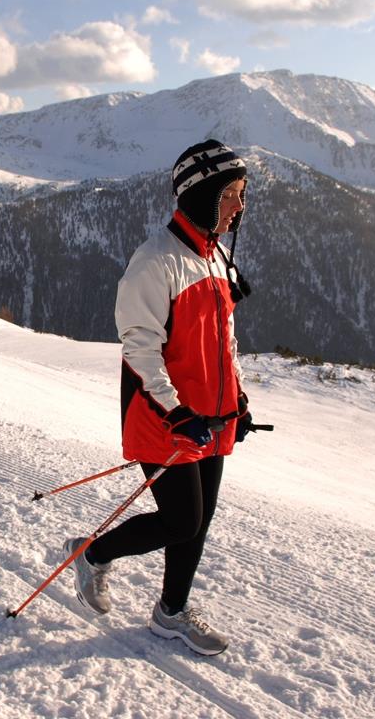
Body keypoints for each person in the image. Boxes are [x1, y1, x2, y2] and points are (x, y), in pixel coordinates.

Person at [64, 140, 257, 656]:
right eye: (231, 195)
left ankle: (171, 612)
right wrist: (177, 411)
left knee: (200, 517)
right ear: (202, 196)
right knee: (181, 519)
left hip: (209, 416)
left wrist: (236, 397)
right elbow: (140, 350)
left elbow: (224, 337)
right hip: (163, 416)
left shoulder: (213, 255)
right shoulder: (155, 263)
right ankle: (92, 554)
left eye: (242, 194)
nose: (240, 207)